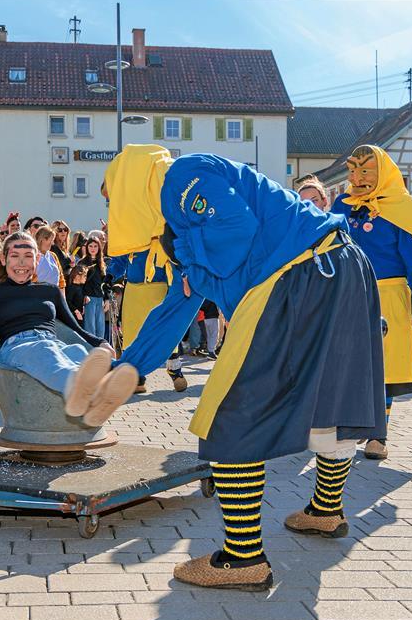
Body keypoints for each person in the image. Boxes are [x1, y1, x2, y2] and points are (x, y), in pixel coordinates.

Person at [93, 146, 384, 590]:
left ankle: (242, 557)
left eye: (111, 198)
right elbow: (176, 308)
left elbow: (236, 230)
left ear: (130, 181)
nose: (113, 210)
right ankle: (325, 512)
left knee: (228, 413)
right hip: (337, 268)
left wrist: (192, 257)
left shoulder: (181, 177)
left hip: (299, 274)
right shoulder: (184, 231)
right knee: (331, 401)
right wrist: (128, 367)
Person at [0, 233, 137, 427]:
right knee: (46, 353)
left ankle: (95, 401)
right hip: (18, 347)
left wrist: (100, 343)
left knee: (77, 351)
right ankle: (84, 391)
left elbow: (75, 329)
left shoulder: (50, 291)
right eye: (15, 256)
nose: (21, 263)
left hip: (53, 342)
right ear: (3, 258)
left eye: (28, 256)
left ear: (37, 259)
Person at [332, 145, 412, 461]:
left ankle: (378, 434)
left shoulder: (402, 207)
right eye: (352, 170)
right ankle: (349, 425)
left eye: (365, 171)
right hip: (349, 290)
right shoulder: (341, 205)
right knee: (348, 361)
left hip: (389, 294)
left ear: (383, 173)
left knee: (384, 366)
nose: (357, 178)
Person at [99, 154, 191, 396]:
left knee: (166, 329)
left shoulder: (161, 229)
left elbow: (175, 256)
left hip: (160, 287)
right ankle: (136, 377)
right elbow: (119, 258)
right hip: (136, 289)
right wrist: (110, 276)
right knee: (132, 334)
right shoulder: (131, 233)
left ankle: (175, 370)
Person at [80, 234, 110, 338]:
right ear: (87, 247)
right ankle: (91, 352)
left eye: (95, 246)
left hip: (100, 298)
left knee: (100, 329)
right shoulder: (82, 263)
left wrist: (107, 299)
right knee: (90, 329)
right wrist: (82, 296)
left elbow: (105, 283)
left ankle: (100, 352)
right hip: (88, 299)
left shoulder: (102, 263)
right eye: (90, 246)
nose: (93, 248)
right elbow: (78, 283)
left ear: (99, 248)